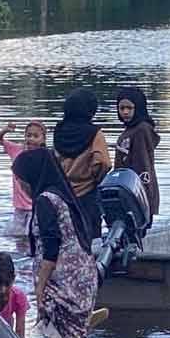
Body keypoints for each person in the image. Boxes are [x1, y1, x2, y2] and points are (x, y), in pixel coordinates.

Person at [11, 148, 99, 338]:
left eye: (21, 180)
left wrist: (39, 286)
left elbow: (51, 248)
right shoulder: (63, 195)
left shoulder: (45, 201)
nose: (22, 186)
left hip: (65, 284)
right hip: (83, 280)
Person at [54, 89, 112, 240]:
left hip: (63, 193)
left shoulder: (58, 131)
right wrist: (95, 178)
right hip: (88, 194)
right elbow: (103, 162)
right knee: (91, 239)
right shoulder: (94, 134)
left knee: (67, 237)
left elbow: (53, 160)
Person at [0, 120, 48, 236]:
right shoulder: (16, 150)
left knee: (31, 235)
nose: (31, 139)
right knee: (17, 236)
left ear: (43, 139)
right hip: (19, 206)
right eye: (28, 135)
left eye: (36, 136)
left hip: (36, 206)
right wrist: (6, 130)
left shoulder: (46, 156)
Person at [114, 87, 160, 218]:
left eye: (129, 108)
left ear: (138, 108)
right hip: (127, 188)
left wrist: (142, 194)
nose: (125, 112)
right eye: (121, 108)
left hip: (137, 191)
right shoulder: (130, 129)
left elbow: (143, 164)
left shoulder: (141, 130)